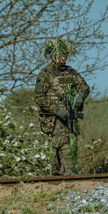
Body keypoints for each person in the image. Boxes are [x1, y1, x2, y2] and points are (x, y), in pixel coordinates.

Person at [34, 39, 90, 175]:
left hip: (70, 116)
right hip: (55, 118)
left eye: (65, 55)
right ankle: (70, 174)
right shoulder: (45, 74)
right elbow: (39, 97)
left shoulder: (71, 72)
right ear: (53, 55)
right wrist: (57, 110)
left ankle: (58, 174)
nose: (63, 58)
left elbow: (84, 87)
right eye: (61, 55)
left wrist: (80, 97)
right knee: (64, 142)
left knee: (70, 142)